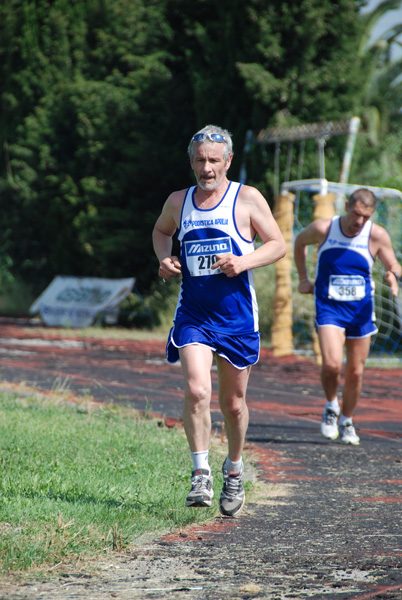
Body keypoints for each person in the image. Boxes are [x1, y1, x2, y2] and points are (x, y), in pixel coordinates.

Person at [152, 124, 286, 516]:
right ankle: (200, 472)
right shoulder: (179, 201)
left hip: (236, 317)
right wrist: (164, 258)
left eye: (214, 160)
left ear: (228, 161)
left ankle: (234, 470)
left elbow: (277, 243)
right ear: (191, 162)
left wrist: (244, 261)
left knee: (233, 403)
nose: (206, 168)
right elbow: (161, 232)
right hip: (193, 314)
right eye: (199, 160)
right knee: (196, 391)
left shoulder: (246, 199)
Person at [294, 188, 402, 445]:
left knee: (355, 371)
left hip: (361, 311)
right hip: (329, 307)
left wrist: (392, 275)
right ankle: (332, 406)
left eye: (366, 216)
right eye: (356, 214)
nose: (359, 221)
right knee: (332, 364)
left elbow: (393, 264)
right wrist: (303, 279)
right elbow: (299, 243)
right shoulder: (324, 229)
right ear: (346, 206)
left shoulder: (375, 234)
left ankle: (347, 420)